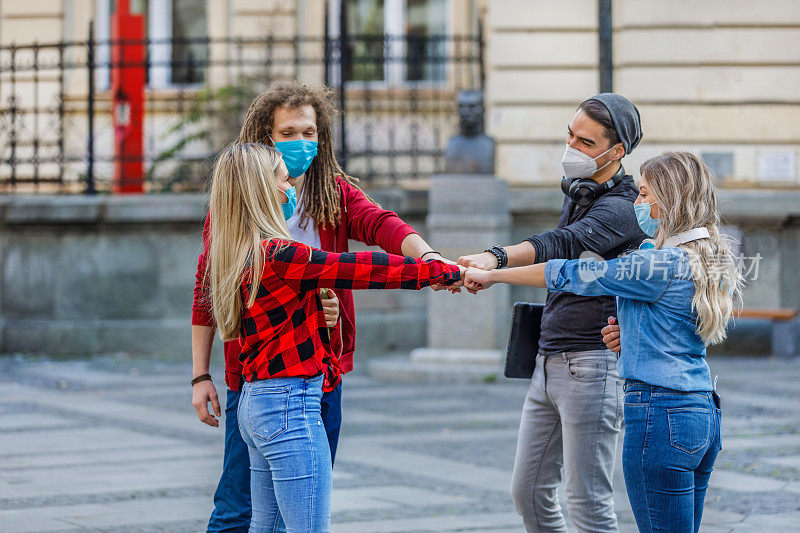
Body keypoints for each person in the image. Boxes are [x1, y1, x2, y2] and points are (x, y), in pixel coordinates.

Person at [191, 83, 450, 532]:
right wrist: (438, 272)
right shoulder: (278, 251)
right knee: (281, 519)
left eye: (310, 132)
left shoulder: (255, 244)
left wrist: (424, 254)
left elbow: (380, 226)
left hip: (277, 388)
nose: (300, 149)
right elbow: (354, 268)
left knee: (266, 523)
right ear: (264, 144)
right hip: (286, 396)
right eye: (288, 134)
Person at [464, 151, 741, 533]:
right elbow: (677, 330)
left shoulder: (654, 264)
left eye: (644, 195)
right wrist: (634, 338)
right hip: (702, 410)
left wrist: (495, 273)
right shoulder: (707, 258)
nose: (637, 204)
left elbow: (572, 272)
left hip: (660, 412)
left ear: (668, 199)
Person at [458, 93, 645, 532]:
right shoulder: (583, 192)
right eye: (571, 134)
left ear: (616, 152)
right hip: (548, 359)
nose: (571, 147)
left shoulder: (623, 207)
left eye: (585, 142)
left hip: (591, 365)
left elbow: (560, 248)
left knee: (588, 503)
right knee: (528, 493)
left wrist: (495, 262)